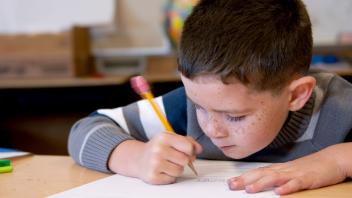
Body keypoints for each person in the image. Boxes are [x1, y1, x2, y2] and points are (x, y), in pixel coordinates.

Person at [68, 0, 352, 195]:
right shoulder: (192, 107)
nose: (211, 129)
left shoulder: (339, 108)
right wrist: (137, 158)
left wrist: (337, 161)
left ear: (297, 95)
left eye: (235, 116)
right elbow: (85, 130)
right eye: (200, 106)